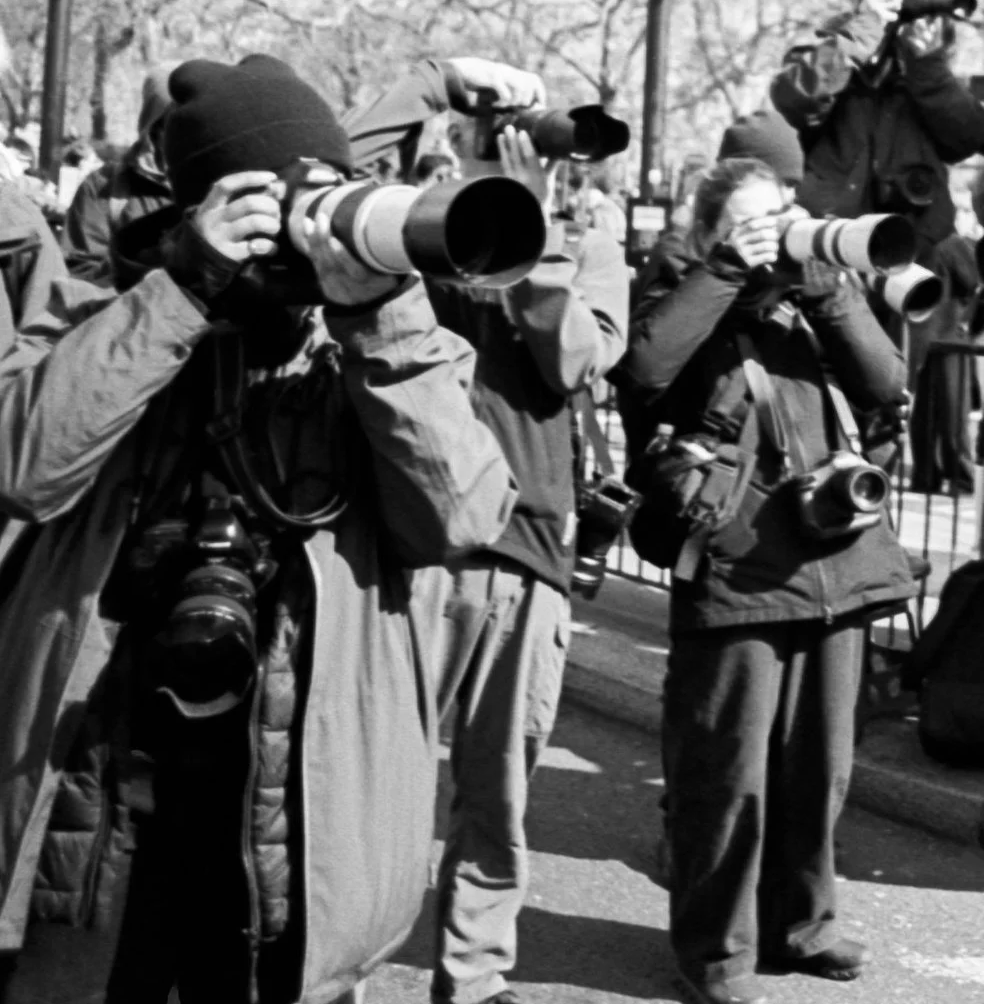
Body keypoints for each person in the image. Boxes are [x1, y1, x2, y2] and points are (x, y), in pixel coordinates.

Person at [0, 53, 515, 1004]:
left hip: (300, 815)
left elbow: (463, 515)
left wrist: (379, 310)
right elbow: (25, 466)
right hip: (108, 797)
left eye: (321, 191)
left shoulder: (383, 344)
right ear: (201, 205)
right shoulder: (109, 310)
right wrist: (184, 287)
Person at [616, 154, 916, 1003]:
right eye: (754, 220)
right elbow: (642, 373)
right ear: (711, 231)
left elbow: (888, 382)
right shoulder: (683, 303)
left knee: (820, 766)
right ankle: (717, 953)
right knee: (727, 771)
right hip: (737, 569)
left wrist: (826, 287)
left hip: (838, 564)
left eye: (780, 212)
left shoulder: (813, 303)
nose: (775, 230)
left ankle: (805, 922)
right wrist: (725, 269)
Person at [420, 109, 631, 1004]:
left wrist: (531, 229)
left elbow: (579, 359)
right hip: (420, 540)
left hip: (532, 542)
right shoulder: (425, 225)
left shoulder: (589, 249)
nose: (540, 160)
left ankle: (471, 972)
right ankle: (335, 949)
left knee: (498, 782)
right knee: (375, 771)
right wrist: (454, 189)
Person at [771, 0, 984, 492]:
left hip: (911, 251)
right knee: (830, 387)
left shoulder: (920, 69)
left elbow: (972, 136)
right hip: (837, 251)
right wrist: (857, 40)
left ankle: (875, 518)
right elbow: (795, 100)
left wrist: (926, 68)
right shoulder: (824, 50)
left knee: (892, 396)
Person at [61, 64, 177, 288]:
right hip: (133, 318)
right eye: (176, 122)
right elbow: (80, 276)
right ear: (154, 128)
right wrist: (140, 272)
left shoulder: (227, 186)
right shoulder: (104, 187)